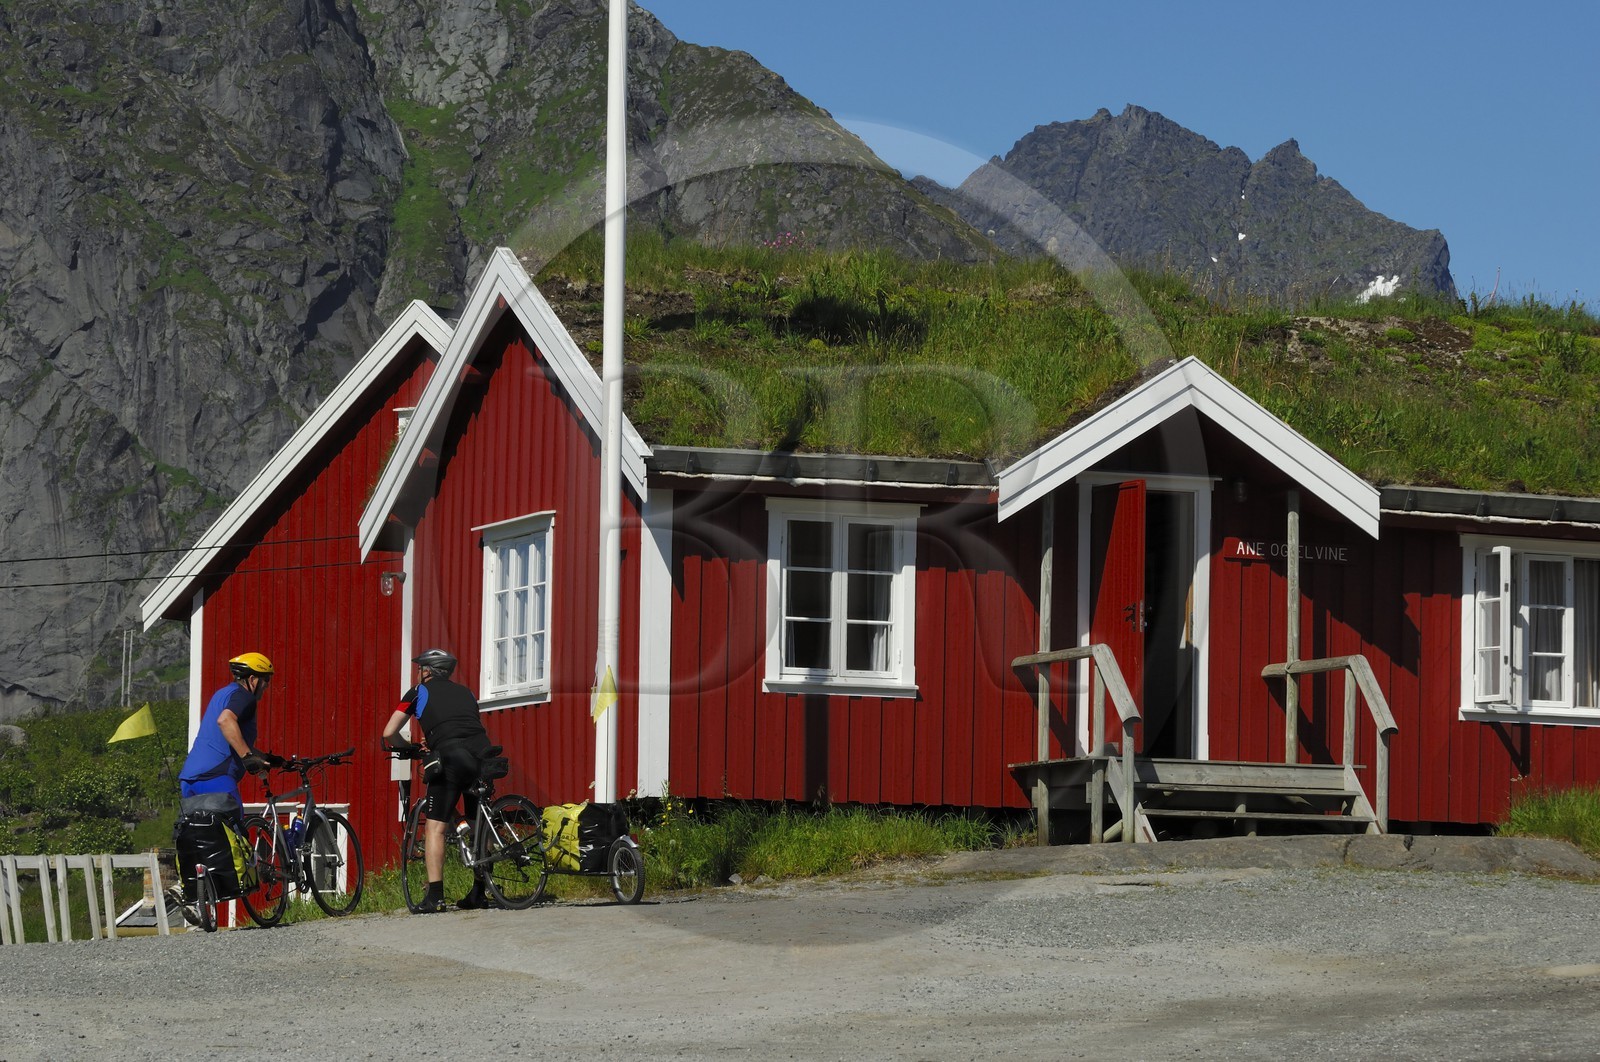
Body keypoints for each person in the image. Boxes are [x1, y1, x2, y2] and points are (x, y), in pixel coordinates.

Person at [381, 649, 495, 913]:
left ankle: (435, 897)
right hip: (482, 756)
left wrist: (409, 747)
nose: (418, 673)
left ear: (428, 671)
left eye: (420, 669)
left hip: (451, 759)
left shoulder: (418, 692)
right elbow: (461, 724)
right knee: (481, 823)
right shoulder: (467, 693)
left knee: (435, 828)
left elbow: (389, 732)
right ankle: (480, 892)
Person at [178, 651, 279, 811]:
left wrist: (265, 758)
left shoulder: (223, 694)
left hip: (189, 778)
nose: (267, 685)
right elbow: (225, 721)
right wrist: (248, 758)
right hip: (215, 778)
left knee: (199, 833)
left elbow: (232, 741)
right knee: (235, 834)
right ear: (252, 679)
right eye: (266, 679)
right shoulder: (244, 696)